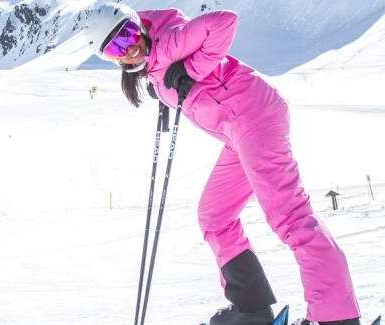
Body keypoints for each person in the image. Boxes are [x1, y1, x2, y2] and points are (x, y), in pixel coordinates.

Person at [83, 3, 360, 325]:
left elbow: (224, 22)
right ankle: (250, 308)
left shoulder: (168, 40)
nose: (129, 47)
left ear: (136, 25)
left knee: (291, 218)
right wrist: (166, 84)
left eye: (128, 34)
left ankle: (336, 317)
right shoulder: (153, 57)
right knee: (215, 216)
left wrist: (190, 71)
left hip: (255, 118)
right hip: (238, 132)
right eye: (116, 48)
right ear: (111, 59)